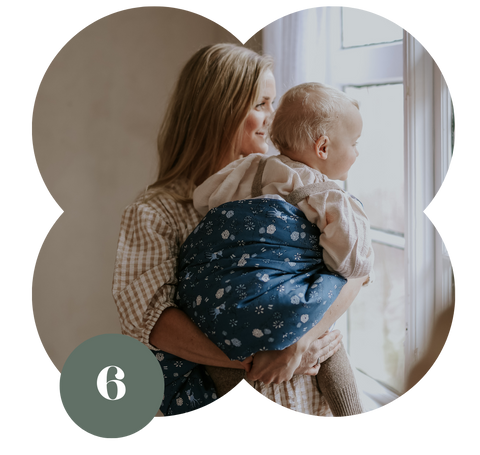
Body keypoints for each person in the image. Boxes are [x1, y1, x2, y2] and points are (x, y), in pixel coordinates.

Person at [112, 43, 367, 420]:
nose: (272, 117)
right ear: (219, 111)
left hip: (310, 397)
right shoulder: (156, 213)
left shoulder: (290, 185)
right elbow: (150, 322)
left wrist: (299, 343)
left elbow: (356, 271)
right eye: (260, 104)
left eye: (273, 103)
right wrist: (252, 359)